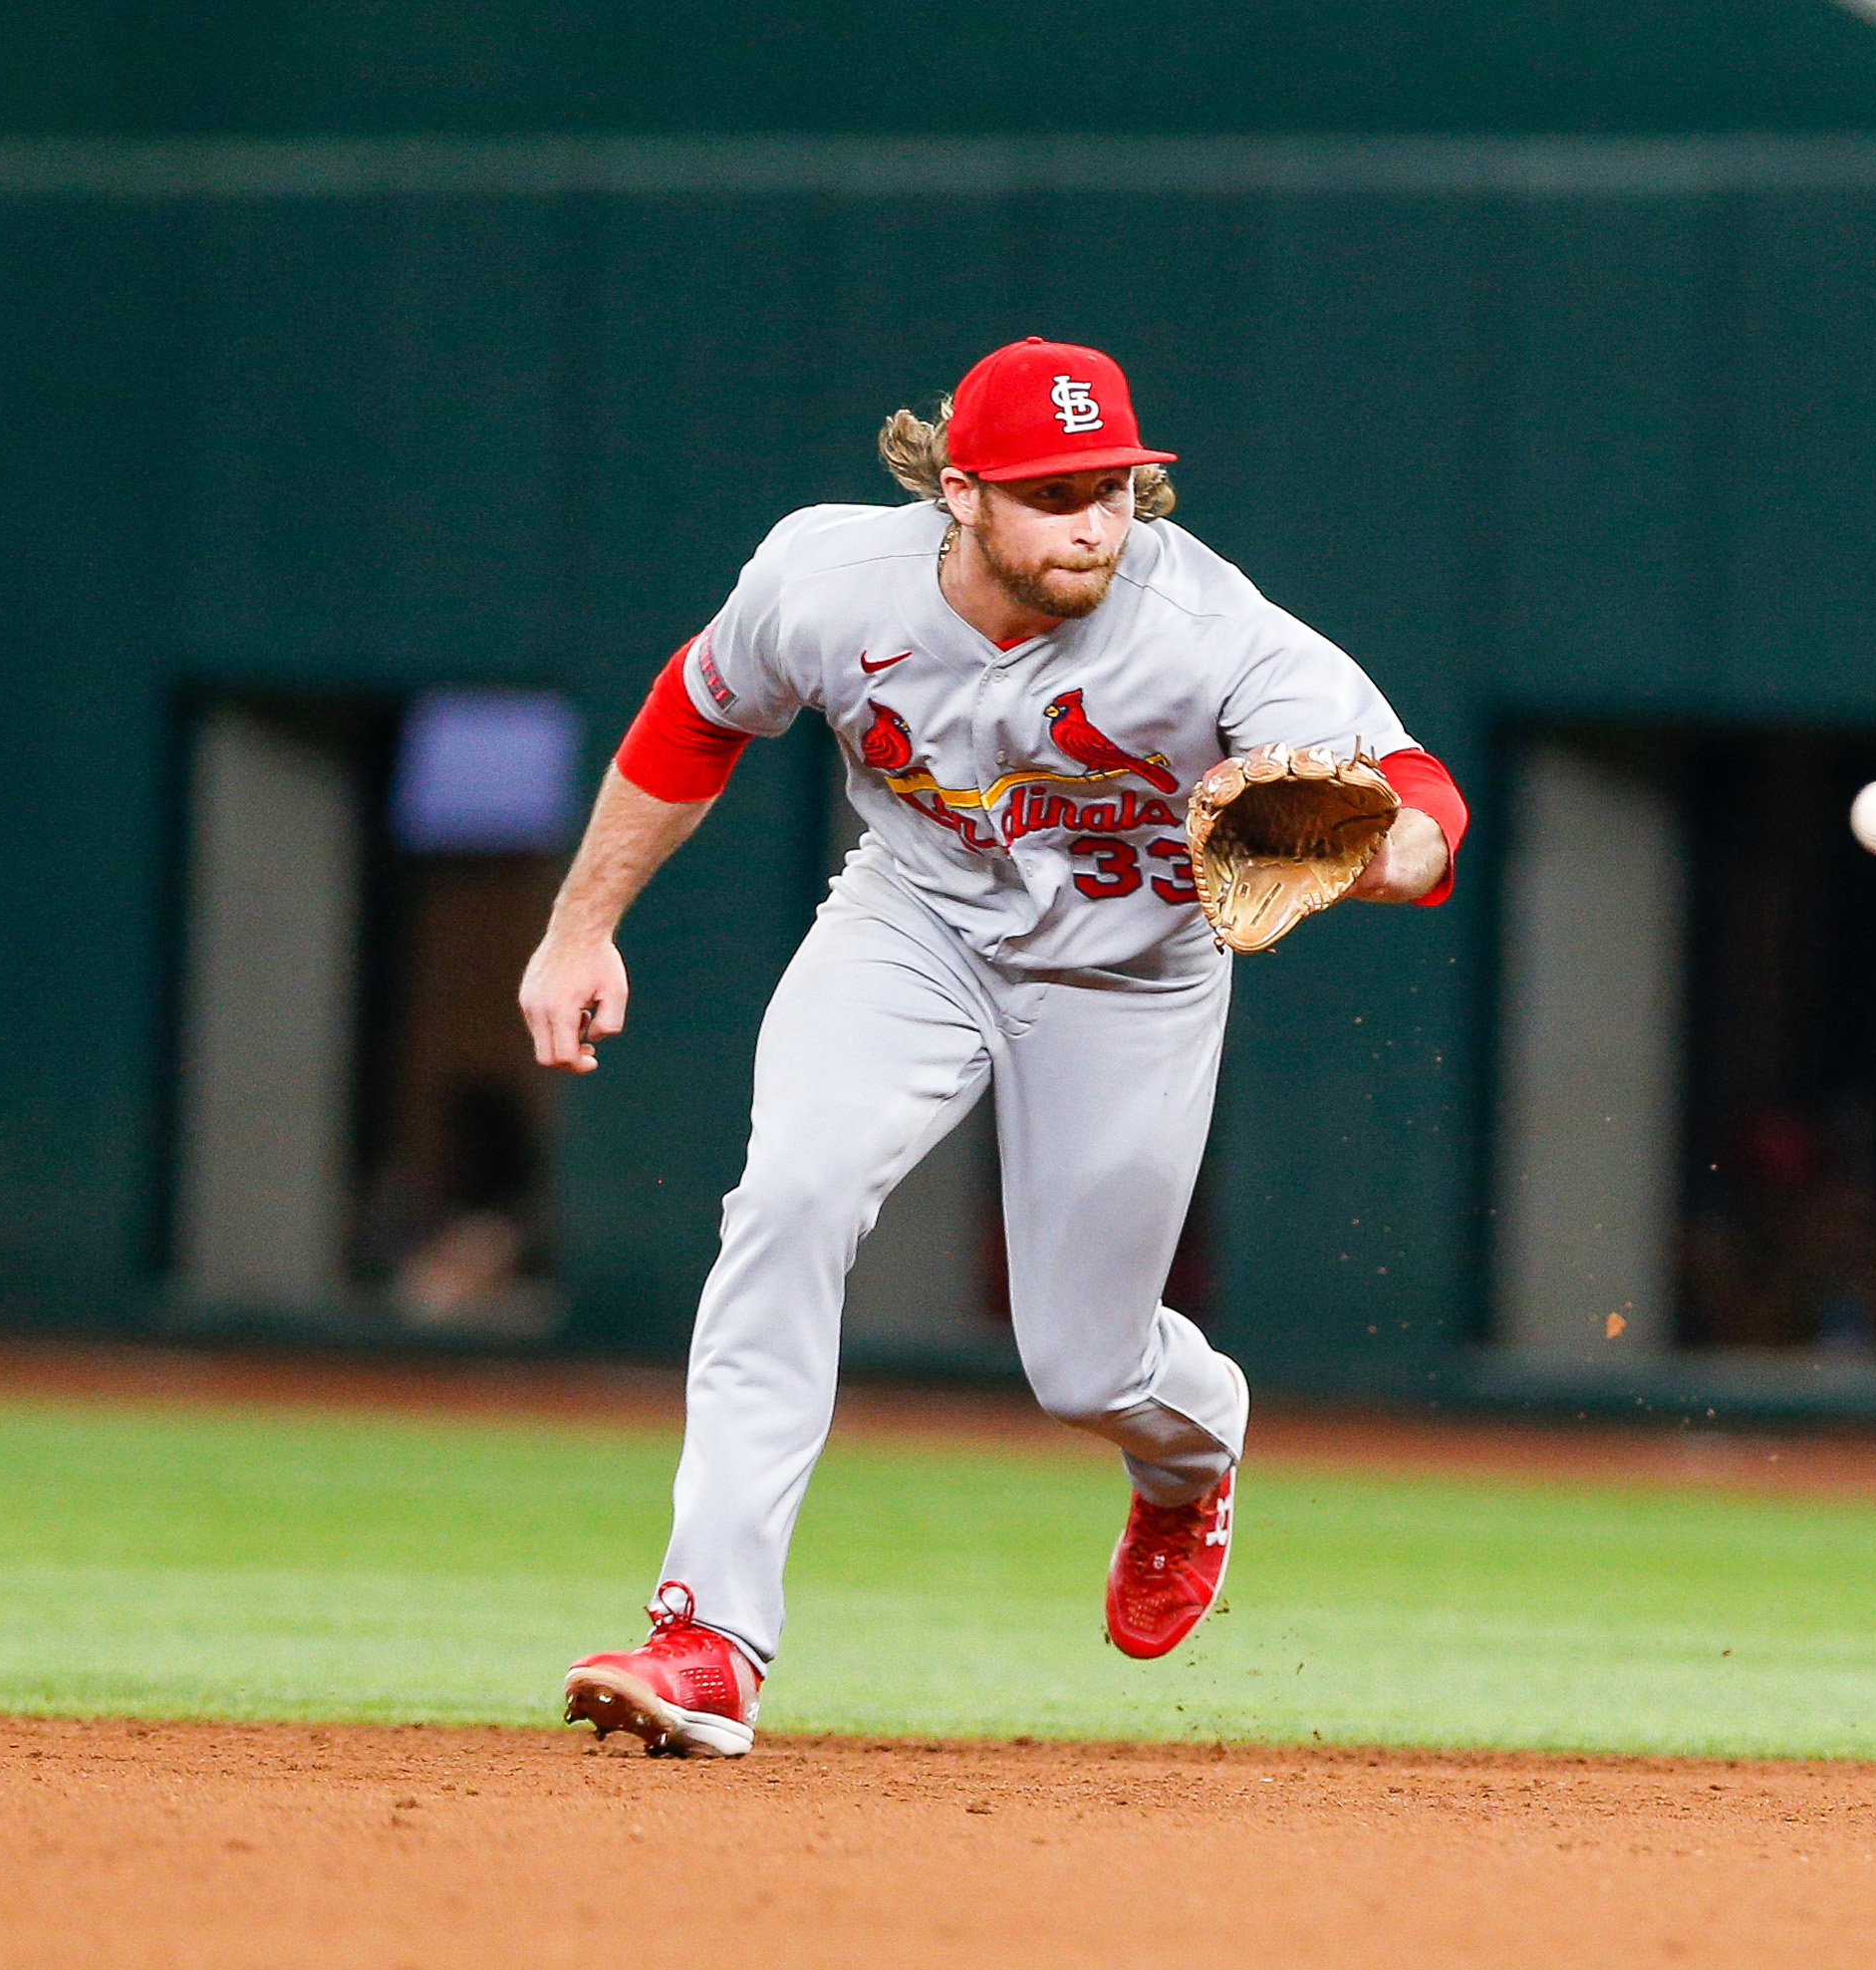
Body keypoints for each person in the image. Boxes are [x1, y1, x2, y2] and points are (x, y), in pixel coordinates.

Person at [521, 337, 1469, 1757]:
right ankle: (709, 1638)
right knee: (787, 1201)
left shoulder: (1208, 625)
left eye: (1114, 484)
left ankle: (1187, 1455)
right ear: (958, 492)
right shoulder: (828, 582)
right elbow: (692, 716)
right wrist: (578, 928)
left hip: (1131, 975)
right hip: (912, 924)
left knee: (1084, 1368)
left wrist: (1385, 853)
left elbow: (1417, 795)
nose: (1093, 518)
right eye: (1051, 491)